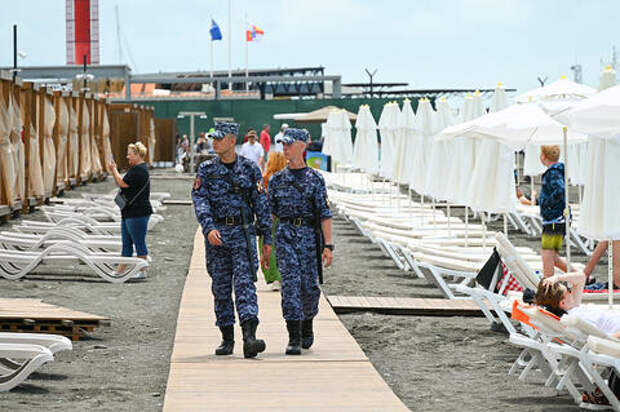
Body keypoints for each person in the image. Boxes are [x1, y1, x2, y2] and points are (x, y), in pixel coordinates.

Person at [191, 121, 273, 359]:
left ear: (231, 140)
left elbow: (261, 204)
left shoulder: (249, 169)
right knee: (221, 287)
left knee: (246, 285)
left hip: (243, 233)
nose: (214, 142)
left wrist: (267, 238)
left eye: (219, 138)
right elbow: (200, 200)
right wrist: (208, 228)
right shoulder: (206, 170)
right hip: (217, 236)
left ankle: (249, 337)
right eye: (213, 138)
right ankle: (227, 337)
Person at [268, 128, 334, 355]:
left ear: (302, 146)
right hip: (285, 235)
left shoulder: (315, 179)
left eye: (289, 144)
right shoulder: (277, 180)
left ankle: (308, 322)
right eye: (283, 144)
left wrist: (328, 246)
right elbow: (271, 216)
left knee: (309, 286)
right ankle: (293, 335)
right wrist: (267, 246)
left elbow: (325, 214)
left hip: (308, 237)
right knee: (290, 284)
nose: (285, 148)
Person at [107, 142, 153, 280]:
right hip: (130, 211)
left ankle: (143, 269)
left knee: (138, 242)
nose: (127, 157)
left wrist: (113, 169)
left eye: (130, 154)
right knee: (127, 242)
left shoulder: (139, 170)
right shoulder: (138, 169)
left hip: (137, 212)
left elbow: (122, 183)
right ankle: (121, 270)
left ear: (138, 155)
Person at [534, 271, 620, 338]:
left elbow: (581, 277)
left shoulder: (572, 308)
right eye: (568, 291)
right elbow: (603, 340)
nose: (571, 292)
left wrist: (557, 278)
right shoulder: (577, 319)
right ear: (562, 303)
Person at [536, 145, 573, 277]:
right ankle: (583, 277)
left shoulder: (552, 172)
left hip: (555, 218)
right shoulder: (557, 171)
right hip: (558, 218)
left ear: (544, 156)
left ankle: (548, 287)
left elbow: (560, 191)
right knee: (553, 257)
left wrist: (547, 203)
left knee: (547, 253)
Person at [260, 152, 287, 291]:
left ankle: (274, 277)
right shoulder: (287, 179)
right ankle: (283, 276)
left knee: (266, 246)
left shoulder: (265, 179)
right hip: (284, 218)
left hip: (268, 217)